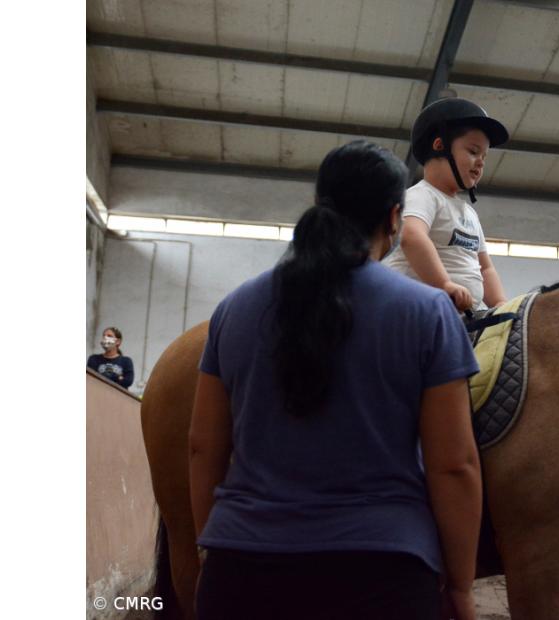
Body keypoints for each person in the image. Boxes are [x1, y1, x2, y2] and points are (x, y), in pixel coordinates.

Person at [188, 140, 482, 620]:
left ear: (319, 207)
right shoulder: (428, 314)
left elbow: (203, 447)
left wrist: (213, 549)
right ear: (393, 217)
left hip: (241, 571)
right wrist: (463, 588)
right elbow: (455, 466)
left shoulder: (234, 309)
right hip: (382, 575)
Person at [383, 97, 510, 313]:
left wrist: (500, 303)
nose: (480, 162)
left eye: (484, 156)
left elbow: (485, 268)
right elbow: (412, 236)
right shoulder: (422, 196)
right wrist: (444, 285)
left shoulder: (468, 213)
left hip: (457, 316)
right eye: (473, 151)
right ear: (439, 146)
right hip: (415, 311)